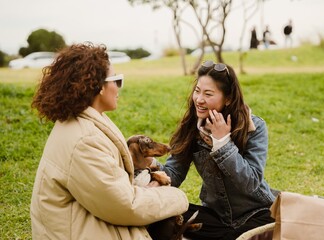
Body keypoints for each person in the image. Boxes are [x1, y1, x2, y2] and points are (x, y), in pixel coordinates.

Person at [30, 42, 189, 239]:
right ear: (99, 86)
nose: (119, 87)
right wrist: (177, 197)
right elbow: (125, 205)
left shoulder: (80, 124)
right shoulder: (84, 141)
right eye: (117, 80)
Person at [156, 60, 275, 240]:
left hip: (256, 214)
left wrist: (222, 143)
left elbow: (251, 182)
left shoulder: (254, 127)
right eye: (197, 91)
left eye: (208, 94)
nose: (199, 99)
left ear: (228, 98)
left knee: (251, 232)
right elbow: (174, 173)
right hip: (216, 217)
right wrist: (149, 168)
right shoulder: (192, 127)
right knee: (164, 215)